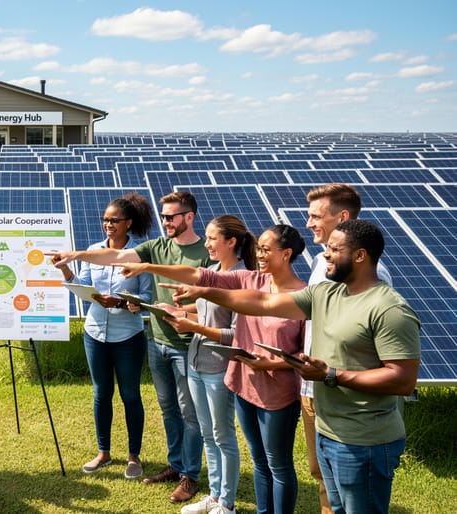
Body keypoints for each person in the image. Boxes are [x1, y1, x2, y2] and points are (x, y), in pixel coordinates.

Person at [165, 219, 420, 514]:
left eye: (335, 249)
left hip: (365, 442)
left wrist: (332, 375)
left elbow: (402, 379)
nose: (325, 254)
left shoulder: (389, 309)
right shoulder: (325, 294)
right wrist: (204, 292)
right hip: (328, 432)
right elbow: (263, 302)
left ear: (360, 255)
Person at [119, 224, 307, 514]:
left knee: (278, 465)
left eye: (266, 250)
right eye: (259, 248)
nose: (260, 254)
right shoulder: (250, 280)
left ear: (287, 254)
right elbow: (201, 275)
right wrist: (148, 267)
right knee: (259, 461)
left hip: (278, 394)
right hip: (245, 386)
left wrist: (274, 363)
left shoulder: (304, 296)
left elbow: (306, 353)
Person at [49, 191, 211, 504]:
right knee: (163, 406)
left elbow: (157, 295)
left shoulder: (187, 252)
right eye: (163, 217)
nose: (165, 222)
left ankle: (183, 472)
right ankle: (169, 464)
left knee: (180, 410)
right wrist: (71, 260)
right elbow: (105, 264)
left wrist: (126, 303)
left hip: (163, 340)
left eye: (171, 217)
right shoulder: (150, 248)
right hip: (136, 337)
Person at [302, 183, 391, 514]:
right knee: (322, 474)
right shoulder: (319, 262)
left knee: (350, 485)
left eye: (315, 216)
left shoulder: (372, 275)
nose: (309, 223)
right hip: (314, 386)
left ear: (341, 217)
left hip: (346, 397)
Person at [158, 215, 256, 514]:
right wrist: (178, 313)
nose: (208, 244)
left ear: (231, 241)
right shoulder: (211, 273)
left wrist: (193, 327)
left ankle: (227, 503)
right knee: (207, 433)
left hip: (219, 367)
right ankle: (214, 496)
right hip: (196, 363)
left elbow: (237, 334)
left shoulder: (244, 280)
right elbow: (205, 315)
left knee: (223, 435)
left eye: (213, 238)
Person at [52, 192, 154, 479]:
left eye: (114, 220)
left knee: (130, 395)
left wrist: (121, 302)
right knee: (101, 394)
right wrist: (66, 270)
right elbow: (83, 285)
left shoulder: (140, 254)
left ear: (128, 223)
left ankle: (134, 456)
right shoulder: (92, 251)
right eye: (105, 220)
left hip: (128, 336)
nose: (108, 225)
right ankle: (103, 453)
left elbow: (147, 297)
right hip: (95, 333)